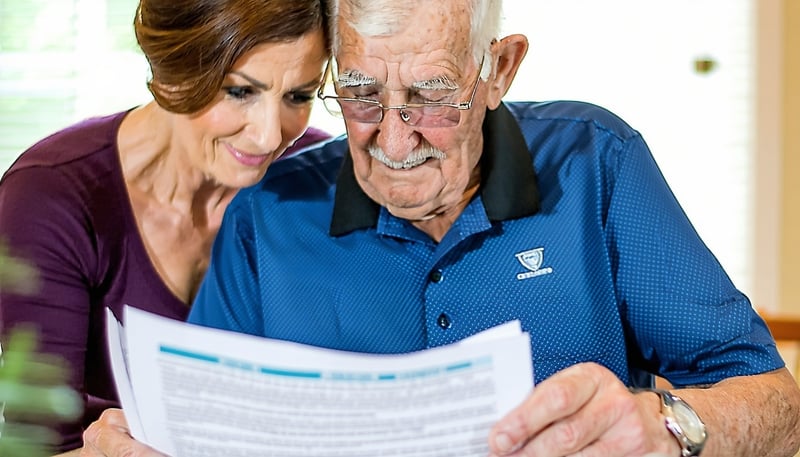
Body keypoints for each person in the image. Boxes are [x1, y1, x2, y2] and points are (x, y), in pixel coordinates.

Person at [80, 0, 800, 456]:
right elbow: (197, 433)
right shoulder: (266, 217)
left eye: (430, 95)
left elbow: (780, 405)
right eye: (360, 93)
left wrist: (668, 427)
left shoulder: (596, 164)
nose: (394, 141)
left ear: (499, 70)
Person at [0, 0, 330, 452]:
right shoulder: (52, 198)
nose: (270, 135)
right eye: (239, 92)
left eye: (298, 96)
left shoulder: (317, 179)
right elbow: (36, 445)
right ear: (172, 73)